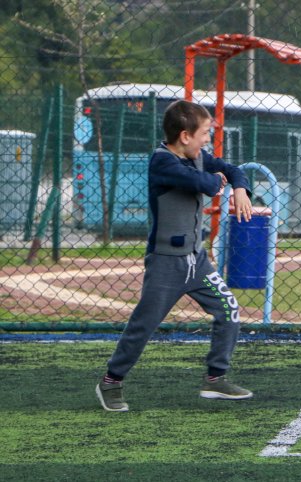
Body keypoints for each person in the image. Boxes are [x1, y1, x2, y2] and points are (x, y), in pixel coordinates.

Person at [96, 99, 254, 411]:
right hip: (167, 263)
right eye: (205, 133)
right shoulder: (163, 162)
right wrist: (218, 180)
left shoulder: (196, 156)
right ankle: (111, 382)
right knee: (144, 324)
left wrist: (239, 188)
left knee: (229, 309)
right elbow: (206, 183)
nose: (208, 139)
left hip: (197, 262)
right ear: (185, 136)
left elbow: (231, 170)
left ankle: (215, 378)